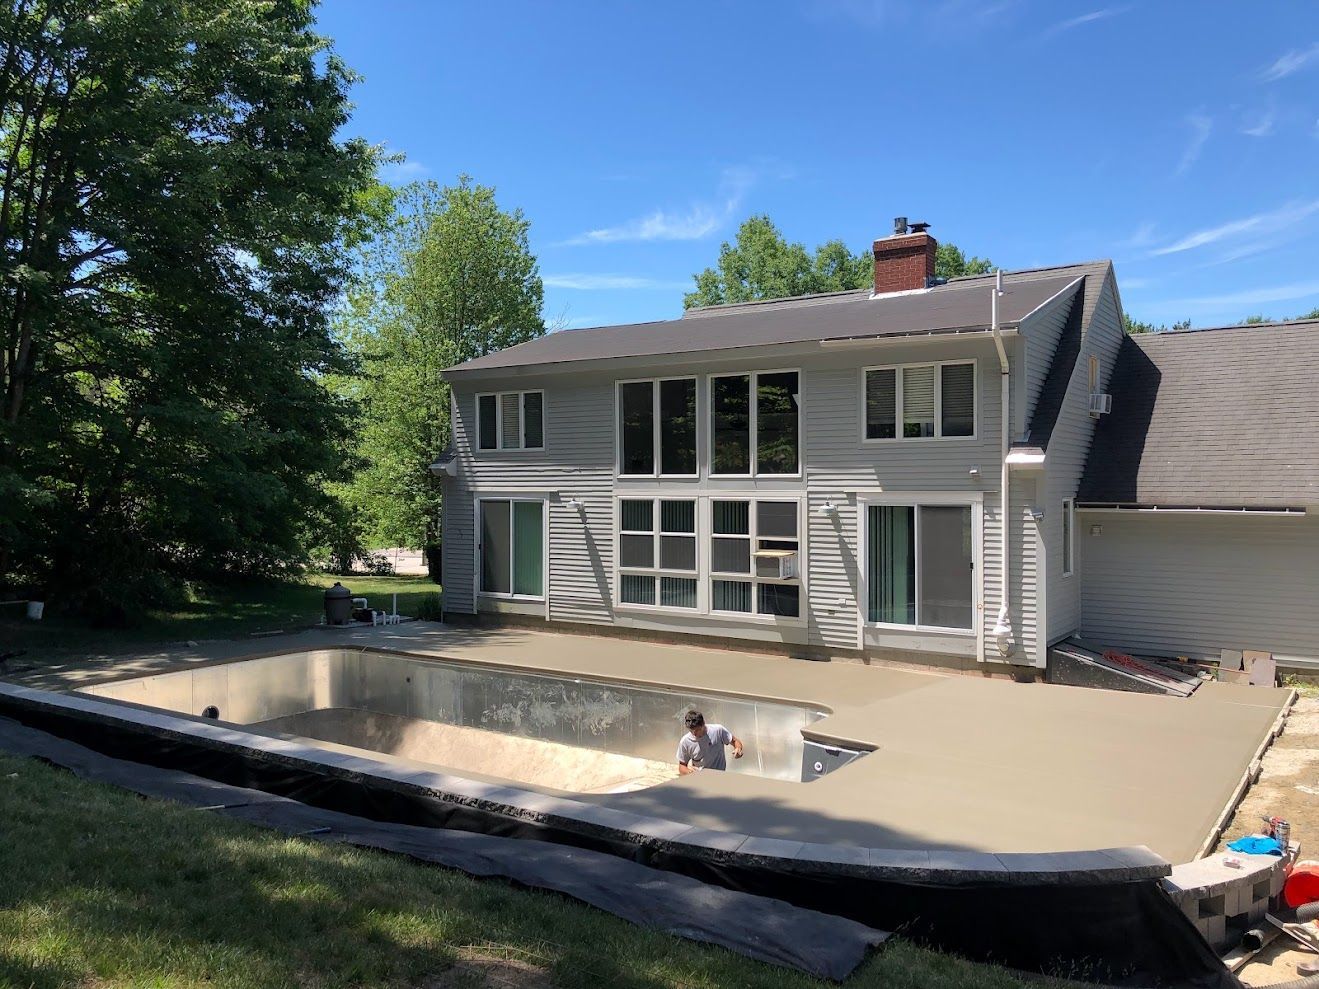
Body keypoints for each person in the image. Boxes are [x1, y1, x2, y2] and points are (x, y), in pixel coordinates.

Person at [676, 710, 743, 775]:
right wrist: (690, 772)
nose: (694, 733)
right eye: (691, 730)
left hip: (719, 776)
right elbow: (682, 766)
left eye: (697, 730)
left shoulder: (718, 730)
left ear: (703, 724)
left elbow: (735, 741)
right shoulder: (685, 742)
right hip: (700, 778)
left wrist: (738, 749)